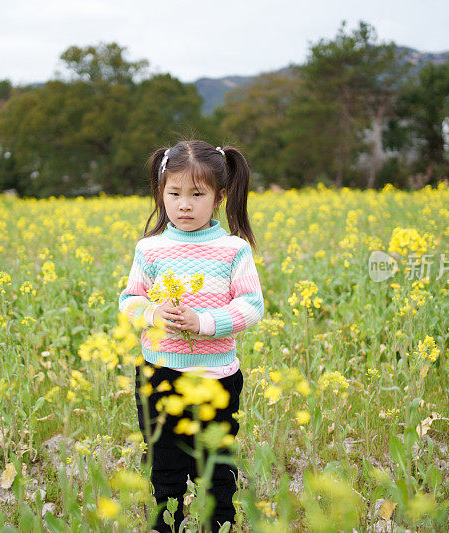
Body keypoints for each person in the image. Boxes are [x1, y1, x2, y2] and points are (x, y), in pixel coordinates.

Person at [118, 140, 264, 532]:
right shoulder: (149, 249)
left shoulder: (233, 249)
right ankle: (165, 525)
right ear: (160, 194)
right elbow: (129, 300)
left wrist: (204, 323)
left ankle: (221, 525)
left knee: (216, 464)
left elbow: (252, 306)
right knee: (164, 464)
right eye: (174, 193)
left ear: (219, 197)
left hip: (216, 376)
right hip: (160, 373)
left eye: (197, 194)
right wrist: (152, 313)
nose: (184, 204)